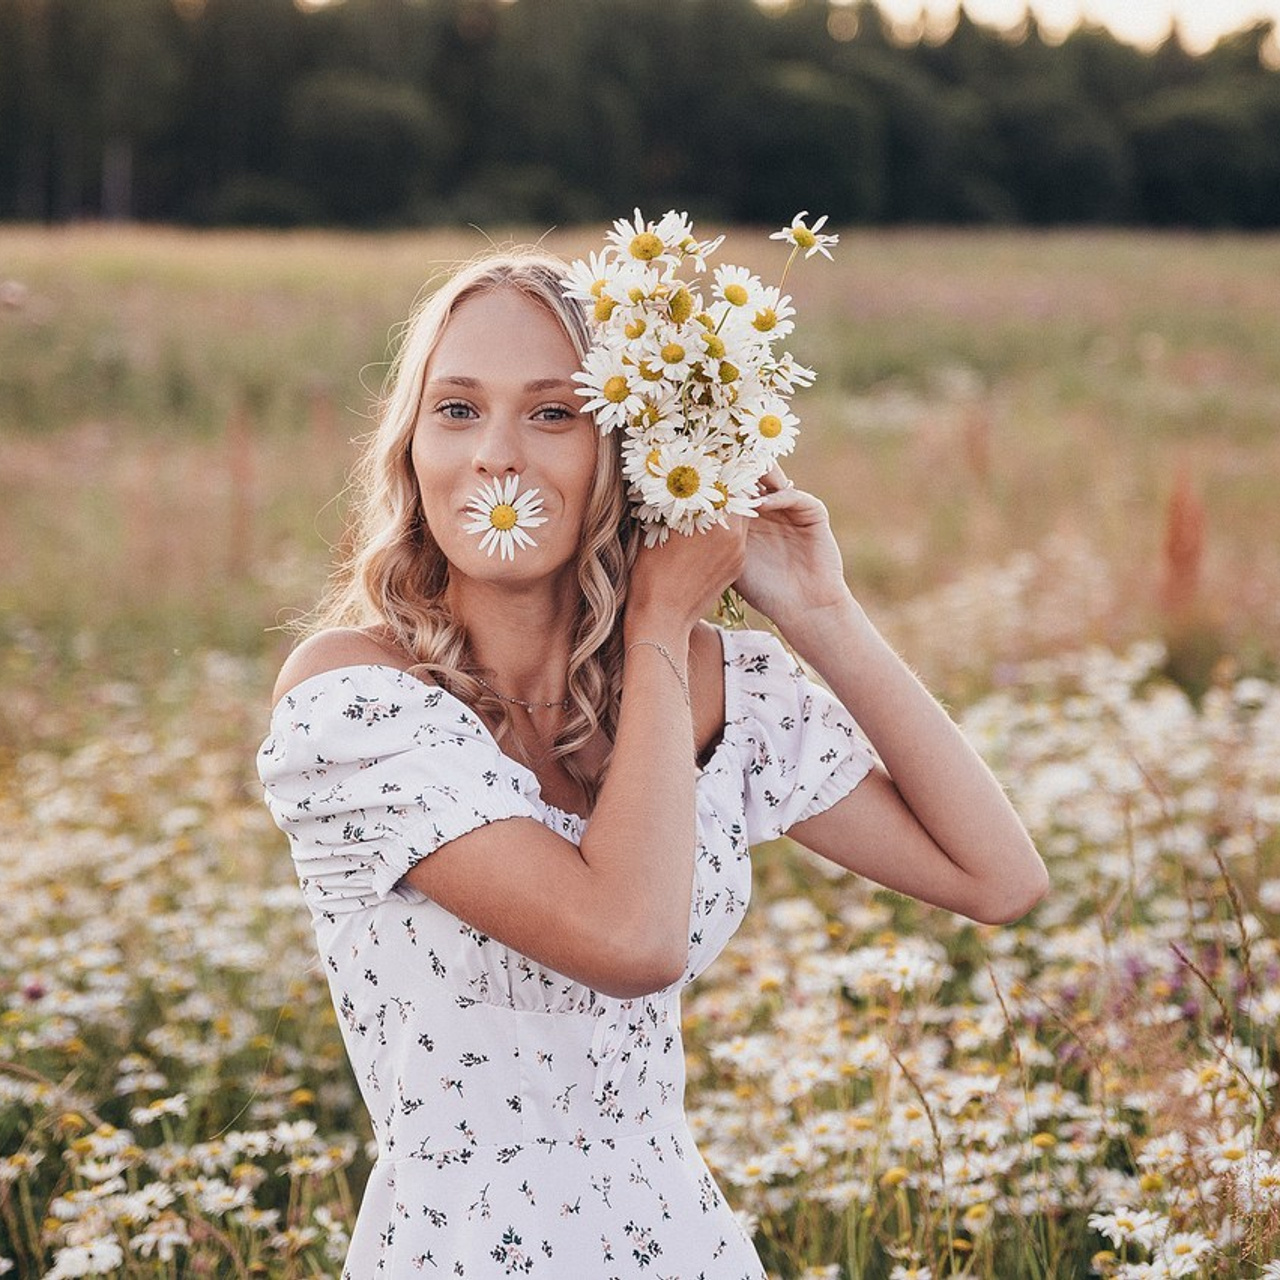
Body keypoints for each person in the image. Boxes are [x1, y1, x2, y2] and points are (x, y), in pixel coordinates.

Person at [255, 248, 1049, 1277]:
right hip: (456, 1250)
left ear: (632, 447)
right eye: (456, 409)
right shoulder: (354, 702)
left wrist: (821, 612)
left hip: (681, 1245)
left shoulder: (704, 683)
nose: (495, 454)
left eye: (553, 412)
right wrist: (661, 621)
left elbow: (997, 877)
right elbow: (629, 939)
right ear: (410, 447)